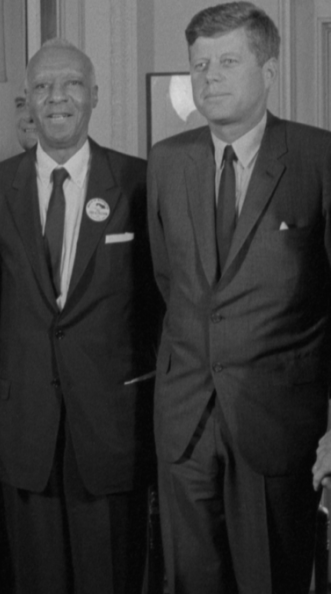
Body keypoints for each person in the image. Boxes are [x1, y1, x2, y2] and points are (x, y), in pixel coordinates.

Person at [0, 39, 160, 594]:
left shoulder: (142, 182)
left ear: (94, 95)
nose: (57, 97)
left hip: (112, 427)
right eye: (43, 86)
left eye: (70, 83)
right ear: (26, 100)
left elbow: (156, 308)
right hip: (23, 426)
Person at [149, 3, 331, 592]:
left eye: (228, 61)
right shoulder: (167, 162)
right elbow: (167, 280)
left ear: (269, 71)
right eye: (199, 65)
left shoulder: (318, 157)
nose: (210, 77)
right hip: (186, 425)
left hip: (276, 423)